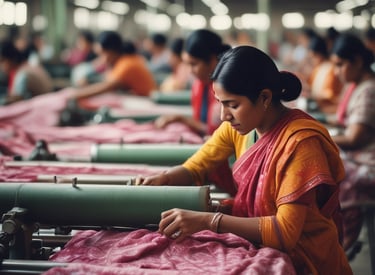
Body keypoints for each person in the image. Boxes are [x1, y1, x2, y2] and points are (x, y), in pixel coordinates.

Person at [136, 46, 352, 274]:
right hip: (267, 251)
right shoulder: (241, 128)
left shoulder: (300, 143)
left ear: (265, 97)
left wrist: (208, 221)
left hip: (309, 259)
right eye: (220, 103)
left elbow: (285, 233)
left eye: (233, 105)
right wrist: (162, 179)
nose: (223, 115)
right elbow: (196, 167)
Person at [328, 33, 375, 252]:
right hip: (359, 158)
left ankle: (344, 242)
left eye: (340, 64)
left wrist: (320, 136)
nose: (337, 71)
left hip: (369, 164)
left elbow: (354, 138)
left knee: (331, 175)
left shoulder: (369, 90)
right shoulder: (358, 85)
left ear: (357, 61)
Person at [155, 29, 231, 136]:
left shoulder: (227, 89)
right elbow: (202, 125)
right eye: (187, 64)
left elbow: (217, 133)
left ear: (213, 60)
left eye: (194, 64)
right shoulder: (199, 85)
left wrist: (181, 119)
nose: (190, 70)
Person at [71, 31, 156, 100]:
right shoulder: (122, 62)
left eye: (102, 54)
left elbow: (107, 86)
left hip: (147, 102)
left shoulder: (127, 64)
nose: (102, 60)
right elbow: (107, 80)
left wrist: (72, 95)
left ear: (111, 51)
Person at [0, 39, 53, 105]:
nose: (1, 66)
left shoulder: (22, 74)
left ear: (11, 59)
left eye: (2, 61)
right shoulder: (29, 66)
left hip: (44, 107)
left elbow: (14, 100)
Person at [302, 35, 343, 115]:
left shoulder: (331, 69)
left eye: (313, 57)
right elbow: (310, 86)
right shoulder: (317, 69)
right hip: (319, 108)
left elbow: (329, 95)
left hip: (328, 110)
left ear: (320, 54)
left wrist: (314, 97)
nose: (312, 61)